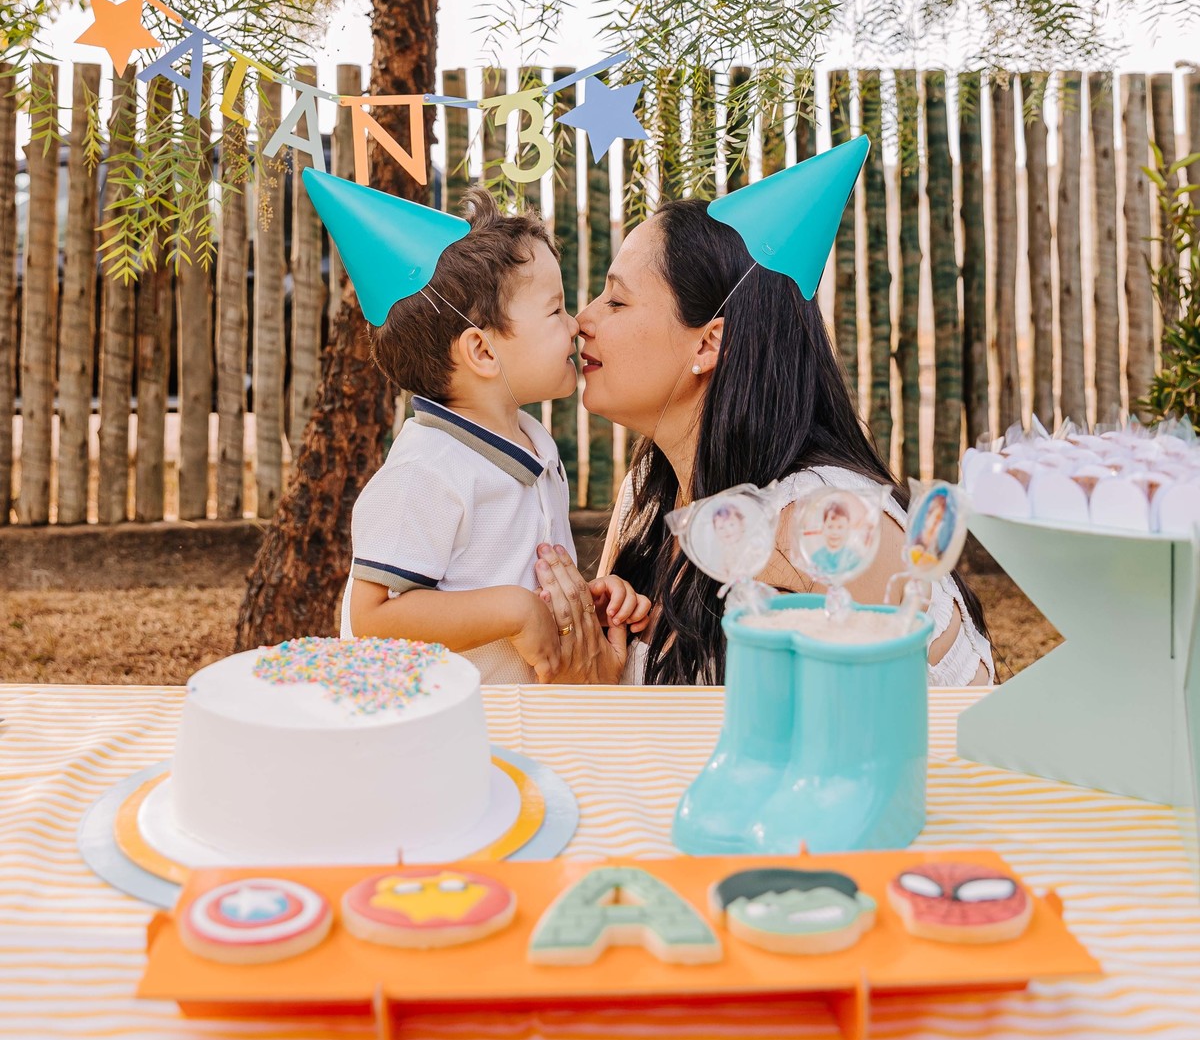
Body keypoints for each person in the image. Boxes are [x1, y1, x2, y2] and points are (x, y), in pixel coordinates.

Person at [534, 196, 993, 686]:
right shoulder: (646, 496)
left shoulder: (828, 522)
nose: (581, 320)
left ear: (708, 343)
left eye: (616, 301)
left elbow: (870, 723)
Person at [342, 188, 649, 682]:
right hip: (443, 725)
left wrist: (579, 603)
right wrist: (517, 611)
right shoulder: (425, 471)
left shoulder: (534, 446)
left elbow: (516, 581)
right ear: (483, 352)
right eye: (555, 310)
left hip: (510, 719)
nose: (575, 325)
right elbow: (372, 617)